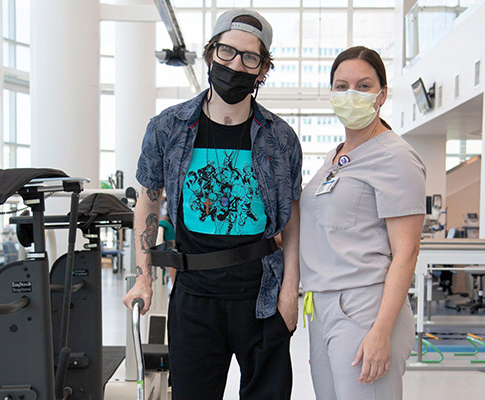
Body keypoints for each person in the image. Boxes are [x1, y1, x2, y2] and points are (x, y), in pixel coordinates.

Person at [122, 8, 302, 400]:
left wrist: (291, 288)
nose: (235, 64)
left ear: (262, 70)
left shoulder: (280, 138)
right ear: (210, 54)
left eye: (249, 58)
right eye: (226, 52)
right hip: (194, 296)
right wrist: (142, 275)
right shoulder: (168, 128)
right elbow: (148, 203)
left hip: (262, 295)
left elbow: (291, 218)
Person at [300, 46, 426, 400]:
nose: (350, 95)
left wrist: (380, 331)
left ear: (382, 95)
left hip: (365, 307)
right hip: (323, 305)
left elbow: (407, 251)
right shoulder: (337, 155)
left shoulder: (395, 157)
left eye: (363, 85)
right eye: (341, 86)